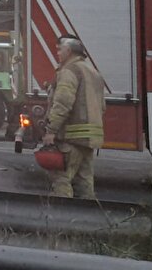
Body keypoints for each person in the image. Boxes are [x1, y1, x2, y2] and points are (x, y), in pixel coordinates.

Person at [43, 36, 106, 199]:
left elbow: (62, 103)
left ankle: (61, 212)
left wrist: (51, 130)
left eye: (59, 50)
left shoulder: (69, 71)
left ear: (69, 51)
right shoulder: (93, 72)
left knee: (61, 178)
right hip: (89, 139)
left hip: (71, 138)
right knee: (84, 184)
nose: (57, 53)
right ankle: (86, 214)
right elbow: (102, 106)